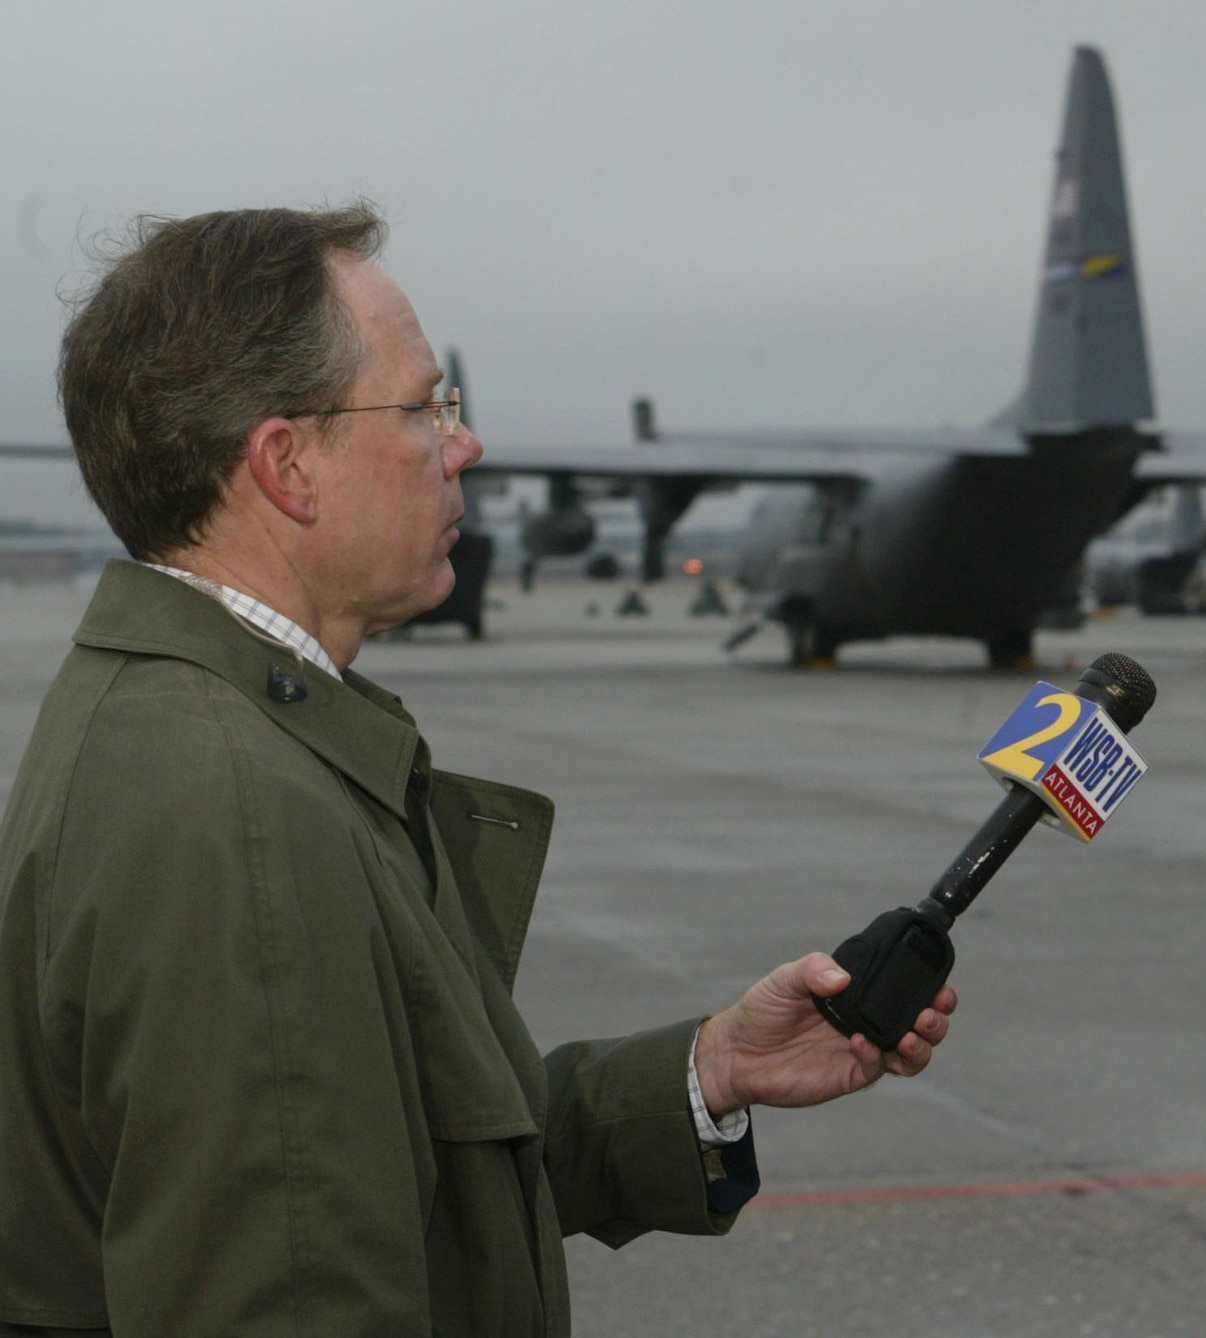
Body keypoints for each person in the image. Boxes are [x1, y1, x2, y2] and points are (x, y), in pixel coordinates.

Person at [0, 205, 955, 1337]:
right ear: (287, 465)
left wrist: (710, 1069)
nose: (466, 445)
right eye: (423, 408)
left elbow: (405, 1174)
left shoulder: (199, 729)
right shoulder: (240, 822)